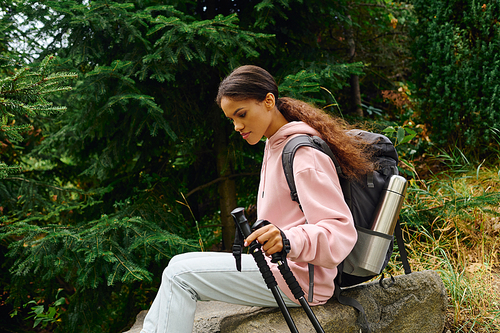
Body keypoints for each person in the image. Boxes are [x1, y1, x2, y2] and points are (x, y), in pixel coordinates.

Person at [140, 65, 374, 333]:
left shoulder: (303, 155)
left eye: (242, 114)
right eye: (232, 119)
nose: (237, 126)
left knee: (180, 277)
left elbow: (340, 233)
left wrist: (287, 239)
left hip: (299, 279)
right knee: (177, 264)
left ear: (268, 101)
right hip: (277, 268)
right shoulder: (274, 144)